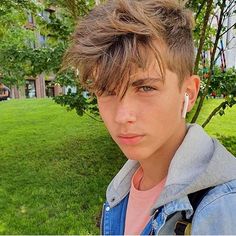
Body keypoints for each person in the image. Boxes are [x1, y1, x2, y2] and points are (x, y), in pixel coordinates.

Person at [63, 0, 236, 234]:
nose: (123, 116)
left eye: (145, 88)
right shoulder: (121, 188)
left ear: (189, 92)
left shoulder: (223, 207)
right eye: (107, 91)